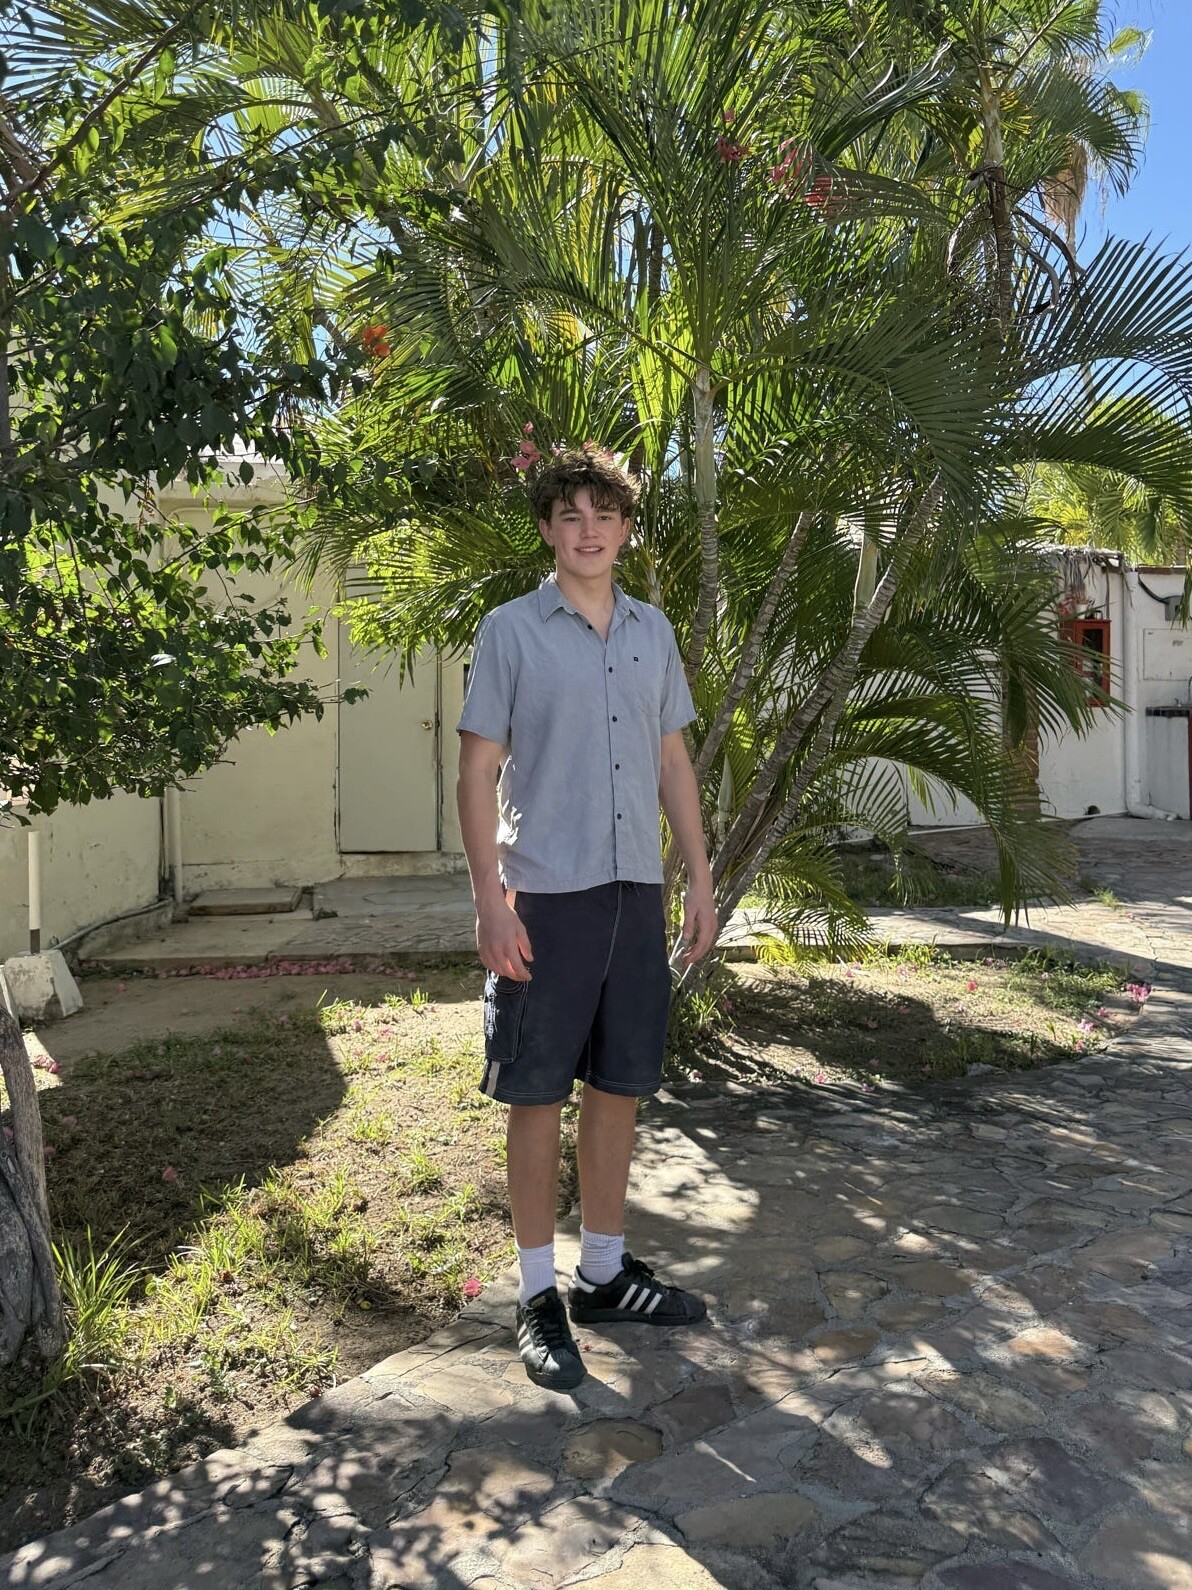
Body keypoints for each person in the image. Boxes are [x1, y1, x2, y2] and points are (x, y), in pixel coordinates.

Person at [455, 444, 719, 1390]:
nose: (589, 530)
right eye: (570, 515)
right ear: (546, 530)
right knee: (536, 1096)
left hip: (633, 894)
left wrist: (699, 878)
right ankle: (537, 1297)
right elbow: (476, 772)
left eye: (604, 514)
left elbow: (673, 762)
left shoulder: (653, 631)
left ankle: (604, 1274)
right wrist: (489, 901)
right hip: (545, 900)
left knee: (618, 1086)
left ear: (627, 528)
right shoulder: (510, 632)